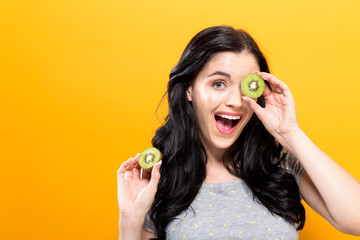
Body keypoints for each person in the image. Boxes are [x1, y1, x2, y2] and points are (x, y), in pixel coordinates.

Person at [117, 25, 360, 240]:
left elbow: (356, 219)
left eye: (246, 86)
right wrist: (130, 219)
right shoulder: (158, 179)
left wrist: (289, 132)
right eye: (218, 83)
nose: (235, 101)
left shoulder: (280, 166)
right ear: (189, 89)